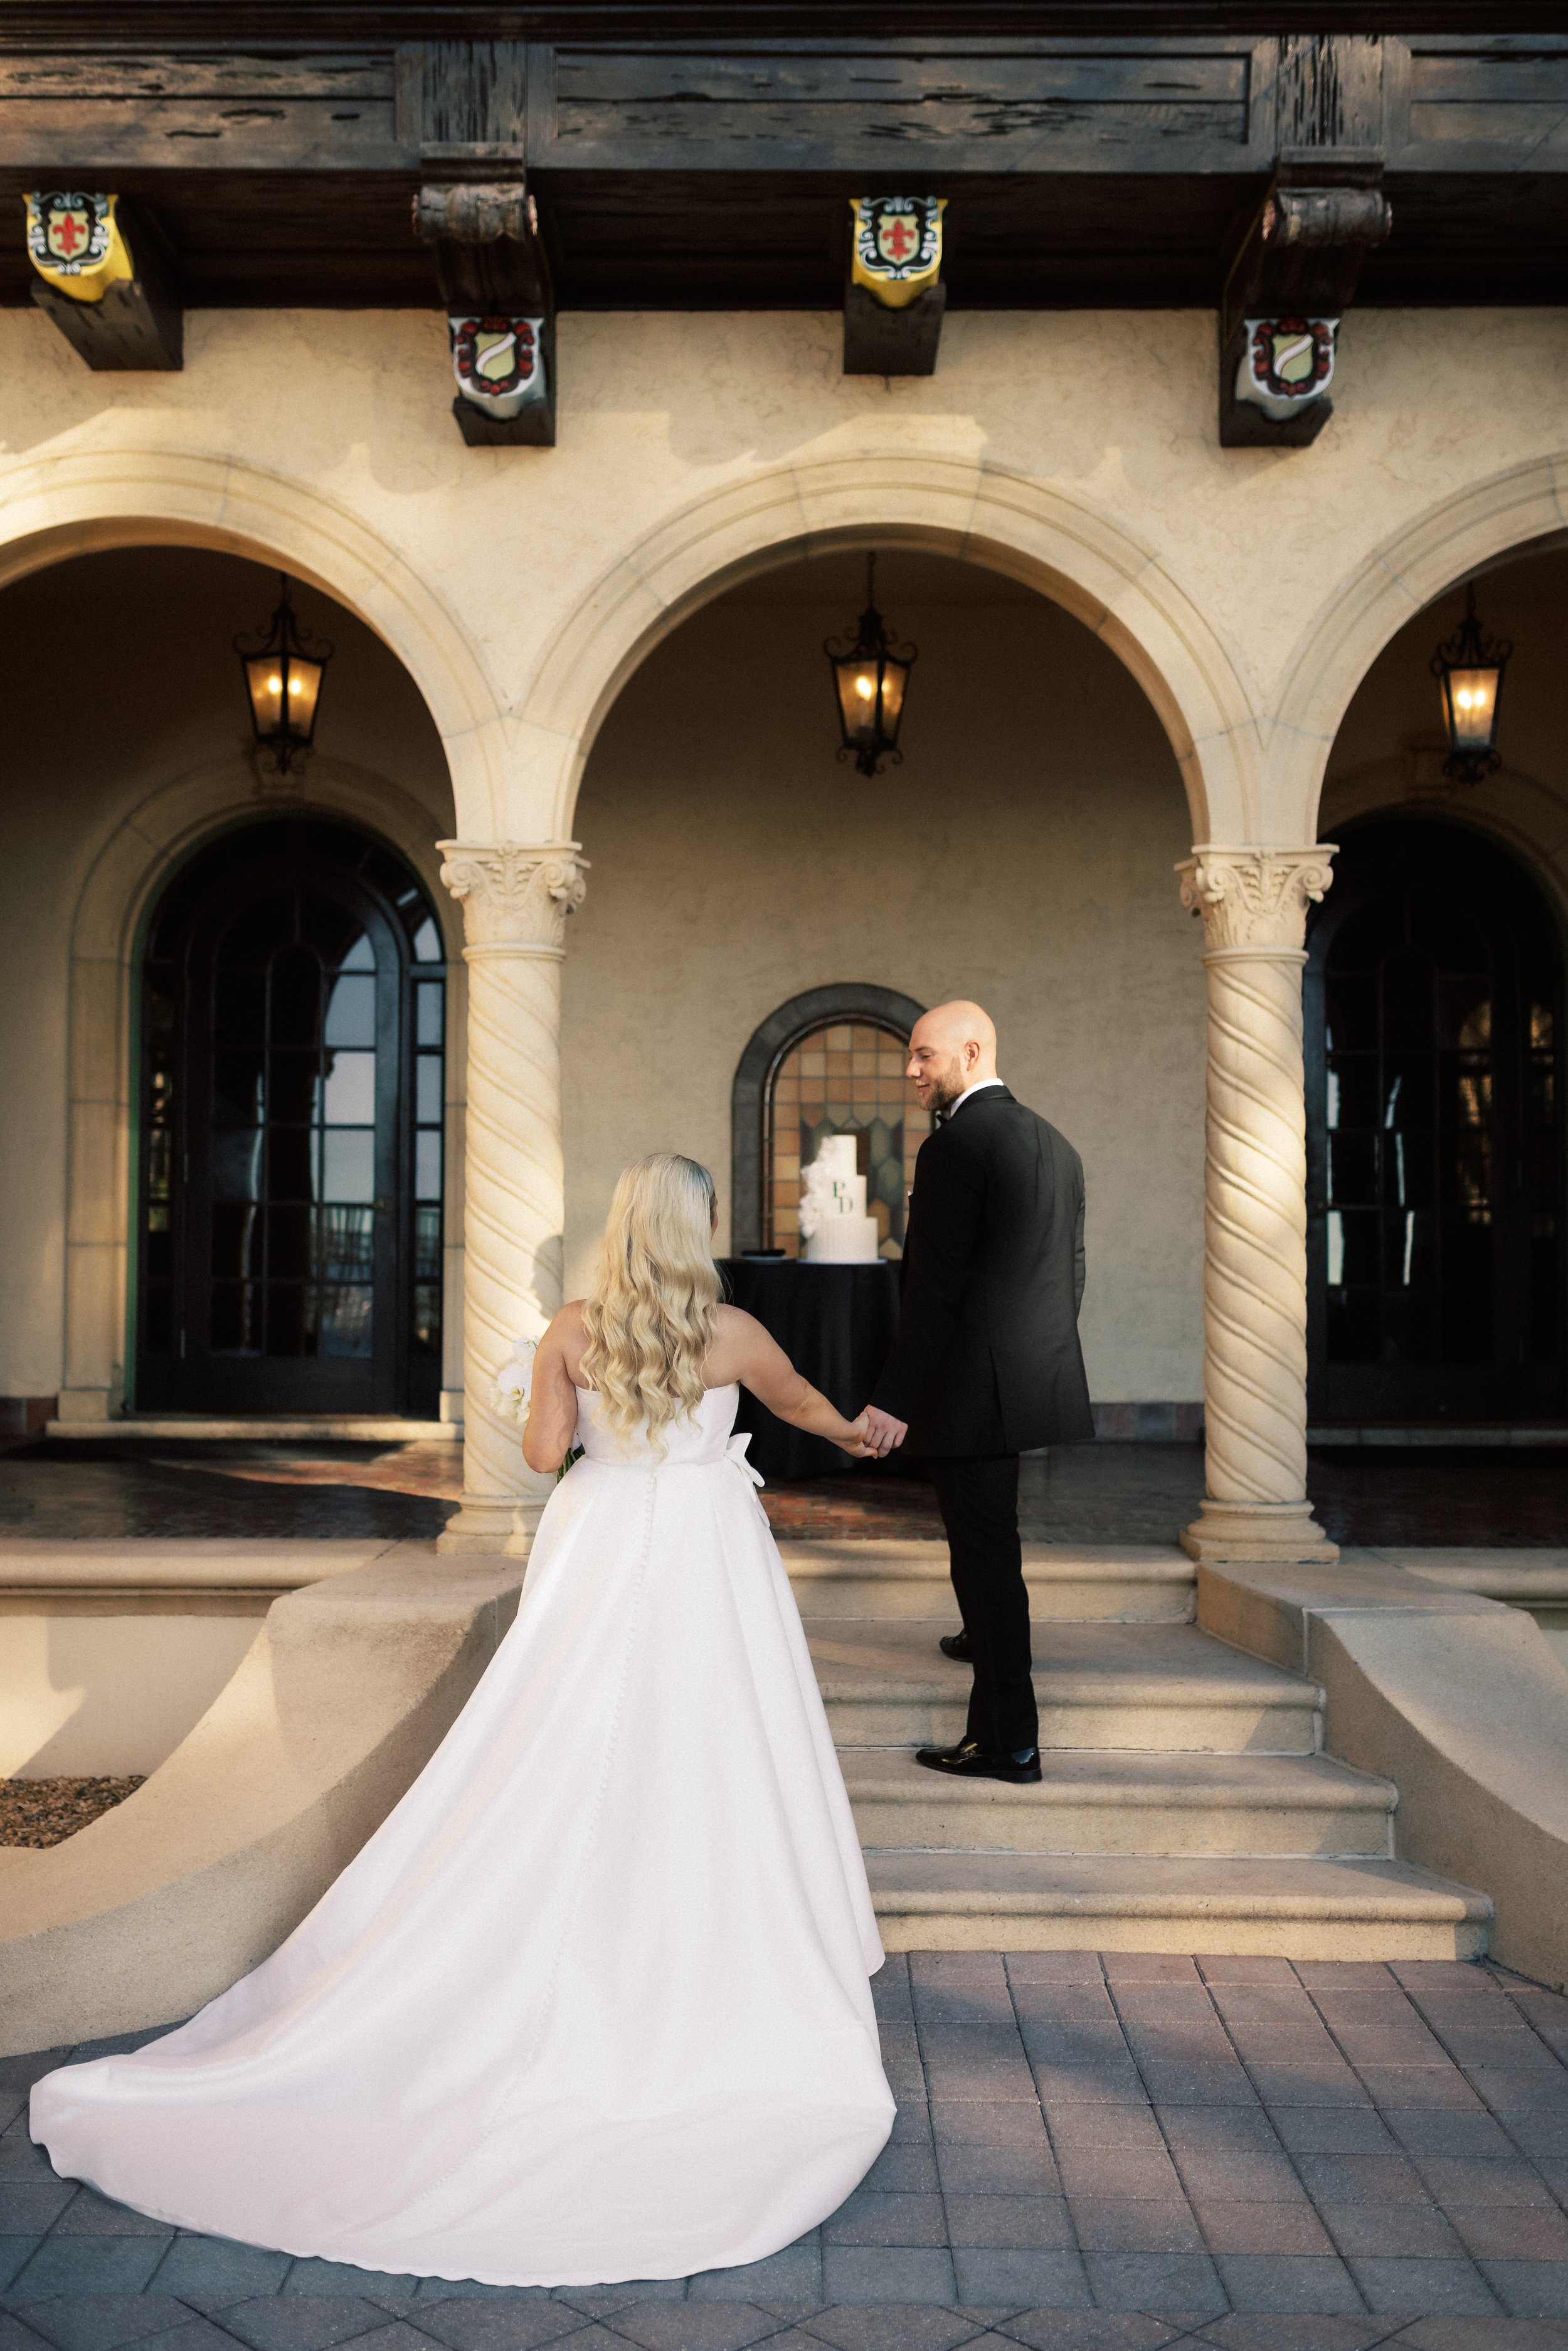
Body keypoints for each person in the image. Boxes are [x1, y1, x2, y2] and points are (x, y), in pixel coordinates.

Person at [31, 1153, 894, 2289]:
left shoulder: (575, 1328)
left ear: (622, 1228)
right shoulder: (734, 1332)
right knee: (709, 1744)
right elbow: (811, 1417)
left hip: (597, 1544)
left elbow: (542, 1458)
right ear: (702, 1227)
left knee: (558, 1734)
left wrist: (546, 1388)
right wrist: (865, 1428)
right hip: (702, 1555)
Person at [861, 1001, 1092, 1786]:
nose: (912, 1071)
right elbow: (1072, 1275)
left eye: (923, 1056)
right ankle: (988, 1707)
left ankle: (1010, 1744)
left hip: (968, 1393)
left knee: (987, 1566)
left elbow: (935, 1291)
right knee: (988, 1557)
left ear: (970, 1049)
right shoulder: (1055, 1144)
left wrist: (893, 1398)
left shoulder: (955, 1145)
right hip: (1026, 1384)